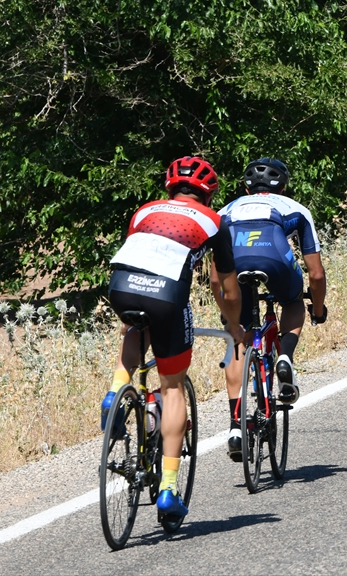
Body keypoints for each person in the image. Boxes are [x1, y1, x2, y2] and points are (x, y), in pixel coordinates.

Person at [103, 156, 242, 520]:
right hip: (166, 296)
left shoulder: (144, 211)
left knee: (133, 327)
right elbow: (227, 288)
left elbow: (138, 256)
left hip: (121, 287)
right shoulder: (214, 221)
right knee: (172, 387)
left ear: (170, 186)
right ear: (208, 192)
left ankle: (115, 391)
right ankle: (167, 489)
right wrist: (234, 325)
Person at [213, 157, 327, 461]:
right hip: (275, 260)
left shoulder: (224, 211)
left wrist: (228, 314)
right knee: (291, 302)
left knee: (239, 341)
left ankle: (236, 425)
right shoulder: (296, 209)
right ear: (284, 185)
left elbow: (214, 277)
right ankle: (285, 356)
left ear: (246, 187)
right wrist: (317, 309)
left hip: (234, 267)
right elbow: (315, 274)